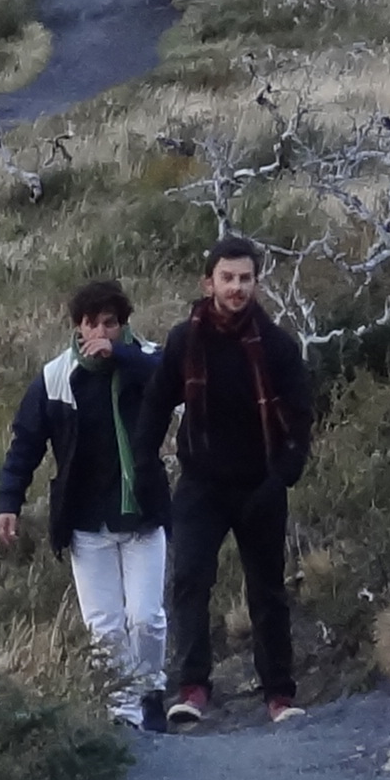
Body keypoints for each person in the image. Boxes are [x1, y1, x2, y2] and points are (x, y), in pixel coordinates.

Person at [144, 232, 314, 727]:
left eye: (245, 278)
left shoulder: (278, 346)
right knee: (190, 582)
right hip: (200, 482)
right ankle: (193, 688)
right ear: (209, 281)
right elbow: (157, 403)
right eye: (228, 278)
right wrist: (145, 459)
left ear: (257, 283)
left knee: (267, 591)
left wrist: (282, 477)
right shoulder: (185, 340)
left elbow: (300, 416)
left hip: (261, 483)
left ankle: (279, 696)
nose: (236, 287)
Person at [0, 274, 172, 729]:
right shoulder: (57, 378)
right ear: (77, 327)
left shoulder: (147, 361)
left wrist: (122, 357)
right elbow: (26, 443)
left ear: (123, 324)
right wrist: (8, 502)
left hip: (143, 514)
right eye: (90, 324)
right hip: (85, 520)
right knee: (105, 627)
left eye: (109, 323)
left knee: (146, 619)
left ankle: (151, 686)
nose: (99, 333)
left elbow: (178, 381)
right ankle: (125, 712)